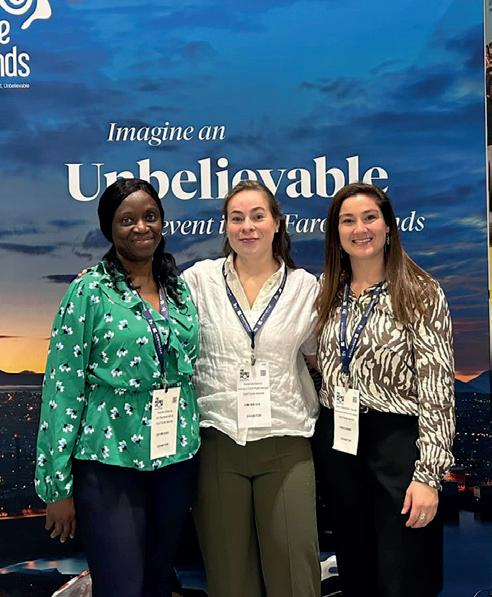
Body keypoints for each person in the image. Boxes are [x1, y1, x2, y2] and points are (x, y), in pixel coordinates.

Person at [34, 178, 200, 597]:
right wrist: (57, 488)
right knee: (121, 587)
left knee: (158, 585)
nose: (141, 227)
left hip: (174, 460)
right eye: (127, 220)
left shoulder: (178, 290)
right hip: (109, 463)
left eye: (150, 216)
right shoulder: (89, 291)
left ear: (162, 223)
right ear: (109, 228)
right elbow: (63, 387)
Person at [312, 182, 455, 597]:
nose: (360, 229)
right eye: (348, 221)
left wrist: (428, 476)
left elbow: (437, 389)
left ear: (389, 226)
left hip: (397, 446)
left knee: (402, 574)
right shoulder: (328, 290)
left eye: (370, 218)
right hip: (340, 443)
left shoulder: (420, 291)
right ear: (336, 233)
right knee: (356, 572)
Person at [182, 180, 321, 597]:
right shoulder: (199, 281)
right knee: (229, 582)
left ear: (277, 223)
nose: (247, 227)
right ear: (225, 226)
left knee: (295, 579)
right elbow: (152, 309)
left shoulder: (305, 288)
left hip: (286, 444)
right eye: (236, 218)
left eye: (258, 216)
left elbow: (320, 356)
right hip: (218, 443)